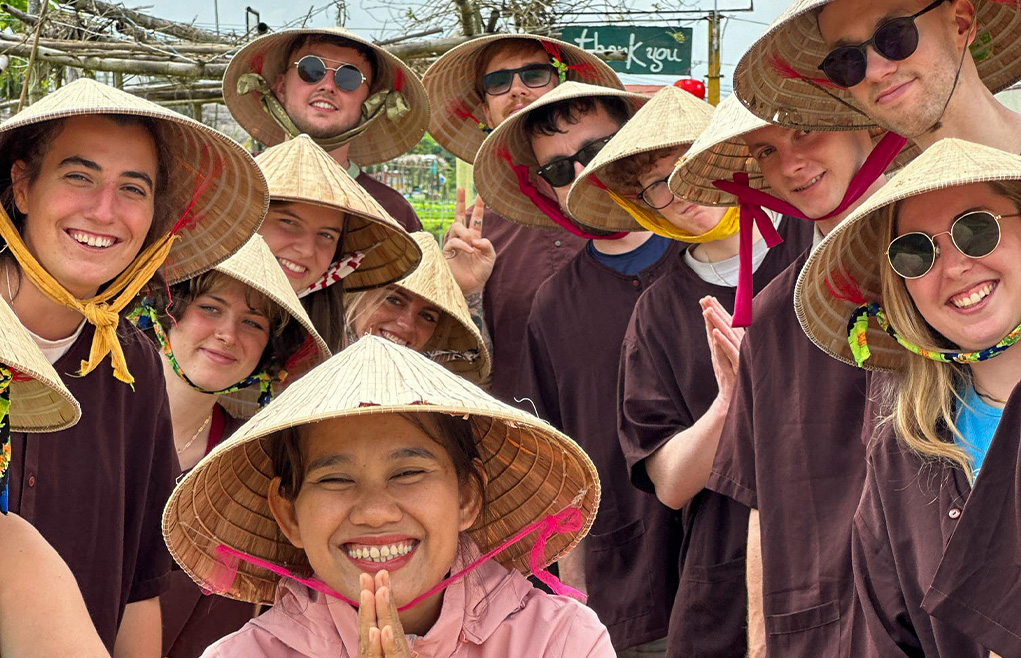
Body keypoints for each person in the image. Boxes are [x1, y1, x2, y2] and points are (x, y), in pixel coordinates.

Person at [0, 77, 267, 655]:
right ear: (22, 186)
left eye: (133, 189)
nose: (104, 211)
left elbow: (139, 587)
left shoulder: (133, 366)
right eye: (79, 176)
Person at [163, 335, 611, 657]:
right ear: (289, 515)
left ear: (467, 498)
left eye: (409, 472)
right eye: (336, 480)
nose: (375, 513)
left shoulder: (560, 641)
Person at [567, 86, 813, 657]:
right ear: (641, 205)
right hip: (725, 567)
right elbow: (671, 485)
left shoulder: (819, 240)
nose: (682, 189)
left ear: (735, 156)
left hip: (851, 533)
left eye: (691, 163)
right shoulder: (658, 309)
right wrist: (729, 403)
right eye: (657, 183)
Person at [669, 92, 900, 657]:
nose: (790, 162)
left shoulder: (960, 277)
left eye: (805, 130)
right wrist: (761, 643)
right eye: (766, 150)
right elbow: (760, 501)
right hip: (821, 628)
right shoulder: (775, 315)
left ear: (863, 125)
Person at [474, 81, 680, 655]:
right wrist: (574, 591)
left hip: (746, 559)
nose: (585, 173)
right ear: (546, 188)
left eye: (598, 150)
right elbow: (559, 462)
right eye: (562, 170)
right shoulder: (556, 303)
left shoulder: (714, 259)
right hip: (631, 582)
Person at [794, 138, 1021, 657]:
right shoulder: (904, 449)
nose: (955, 266)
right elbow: (888, 633)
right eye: (916, 251)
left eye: (977, 229)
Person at [127, 235, 329, 657]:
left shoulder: (255, 461)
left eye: (253, 323)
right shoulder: (85, 414)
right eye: (210, 308)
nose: (227, 334)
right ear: (168, 311)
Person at [423, 34, 622, 403]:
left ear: (565, 87)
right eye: (498, 82)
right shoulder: (472, 233)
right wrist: (465, 294)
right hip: (519, 437)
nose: (517, 90)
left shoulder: (634, 202)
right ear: (485, 113)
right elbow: (455, 371)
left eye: (535, 75)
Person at [732, 0, 1021, 152]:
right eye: (845, 60)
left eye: (894, 35)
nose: (874, 72)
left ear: (961, 23)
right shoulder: (895, 225)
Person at [224, 27, 431, 232]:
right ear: (281, 87)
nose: (328, 86)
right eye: (311, 69)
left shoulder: (392, 213)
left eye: (348, 77)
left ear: (370, 102)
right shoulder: (232, 185)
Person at [253, 135, 421, 352]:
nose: (306, 250)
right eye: (289, 222)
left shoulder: (316, 337)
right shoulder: (198, 299)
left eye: (326, 236)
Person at [346, 230, 492, 385]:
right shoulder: (318, 358)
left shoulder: (424, 395)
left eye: (427, 317)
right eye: (394, 300)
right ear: (360, 295)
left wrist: (470, 291)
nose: (407, 325)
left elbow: (478, 381)